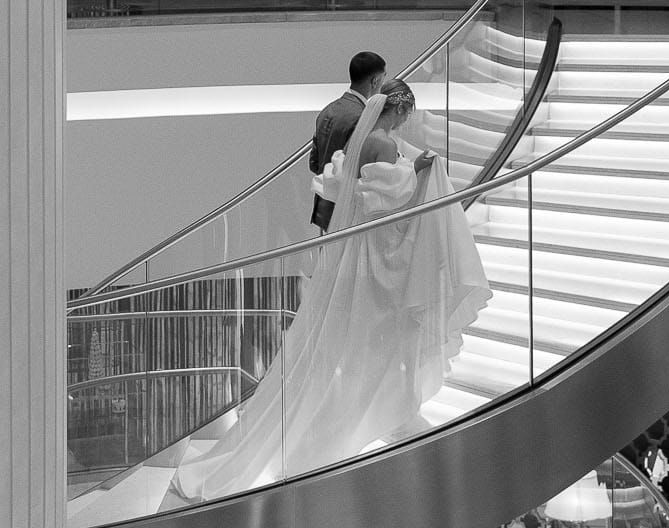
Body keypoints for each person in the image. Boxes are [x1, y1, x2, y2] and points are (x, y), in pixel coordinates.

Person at [172, 80, 492, 502]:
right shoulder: (383, 143)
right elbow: (388, 200)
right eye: (406, 115)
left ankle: (378, 407)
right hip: (373, 252)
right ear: (398, 111)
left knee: (351, 337)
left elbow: (349, 187)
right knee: (376, 333)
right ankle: (378, 410)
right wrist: (418, 172)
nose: (406, 123)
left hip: (355, 248)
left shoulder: (364, 139)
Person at [309, 50, 386, 230]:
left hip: (323, 205)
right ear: (375, 81)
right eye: (383, 78)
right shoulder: (363, 118)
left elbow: (314, 163)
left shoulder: (327, 111)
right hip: (347, 208)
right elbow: (359, 168)